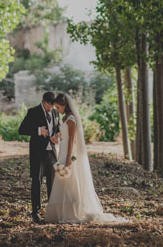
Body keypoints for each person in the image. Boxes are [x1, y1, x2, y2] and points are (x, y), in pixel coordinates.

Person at [45, 93, 124, 224]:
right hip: (63, 151)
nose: (57, 110)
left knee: (71, 181)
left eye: (58, 107)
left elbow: (72, 139)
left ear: (65, 105)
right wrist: (57, 136)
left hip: (69, 153)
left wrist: (68, 158)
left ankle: (72, 212)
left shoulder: (71, 119)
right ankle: (63, 212)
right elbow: (65, 134)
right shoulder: (65, 118)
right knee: (63, 181)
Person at [17, 91, 60, 223]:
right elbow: (21, 130)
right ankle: (36, 212)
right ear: (43, 101)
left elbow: (57, 128)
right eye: (48, 106)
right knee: (37, 182)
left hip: (52, 152)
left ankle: (52, 212)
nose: (50, 108)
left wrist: (57, 136)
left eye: (52, 106)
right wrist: (38, 131)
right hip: (37, 153)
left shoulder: (55, 113)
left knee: (53, 183)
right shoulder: (33, 112)